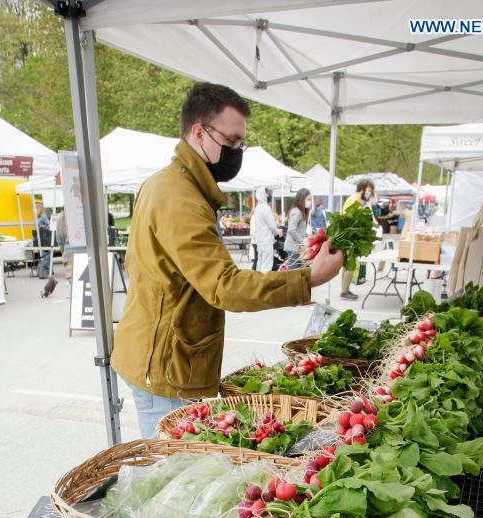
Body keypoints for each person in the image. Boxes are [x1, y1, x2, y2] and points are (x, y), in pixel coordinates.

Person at [111, 82, 344, 438]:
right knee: (176, 478)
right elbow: (226, 286)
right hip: (167, 368)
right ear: (199, 132)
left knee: (170, 469)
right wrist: (307, 278)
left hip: (158, 353)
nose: (237, 152)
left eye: (240, 144)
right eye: (231, 142)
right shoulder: (180, 198)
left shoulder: (167, 183)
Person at [339, 178, 375, 300]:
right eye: (368, 190)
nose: (369, 193)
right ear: (362, 188)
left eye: (371, 191)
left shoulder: (358, 200)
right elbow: (350, 218)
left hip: (349, 235)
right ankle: (344, 292)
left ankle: (345, 289)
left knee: (347, 264)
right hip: (350, 236)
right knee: (350, 264)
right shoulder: (354, 200)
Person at [250, 187, 278, 273]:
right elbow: (272, 225)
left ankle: (258, 283)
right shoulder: (265, 208)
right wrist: (277, 232)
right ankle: (265, 284)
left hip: (259, 242)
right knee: (267, 265)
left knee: (260, 264)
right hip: (266, 241)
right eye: (266, 193)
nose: (267, 195)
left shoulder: (257, 208)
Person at [283, 187, 312, 269]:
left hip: (296, 247)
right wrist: (302, 242)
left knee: (297, 270)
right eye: (308, 199)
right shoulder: (297, 211)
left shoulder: (301, 211)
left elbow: (298, 229)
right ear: (302, 199)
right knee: (293, 272)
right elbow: (292, 229)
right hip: (293, 247)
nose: (310, 202)